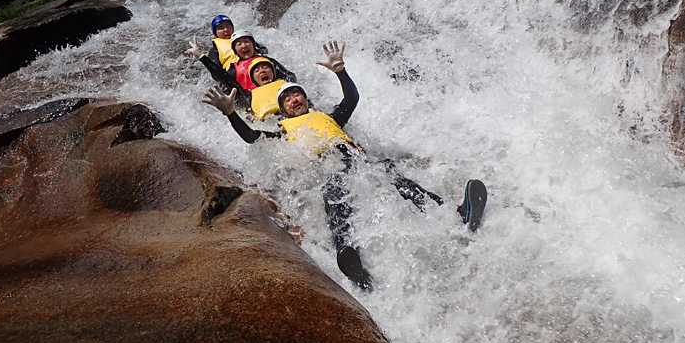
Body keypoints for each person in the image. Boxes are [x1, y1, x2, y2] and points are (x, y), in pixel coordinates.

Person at [202, 40, 487, 290]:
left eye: (296, 94)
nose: (293, 99)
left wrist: (341, 71)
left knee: (395, 177)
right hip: (327, 167)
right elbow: (252, 137)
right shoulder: (284, 131)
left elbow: (352, 98)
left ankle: (455, 213)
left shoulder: (329, 117)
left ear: (306, 98)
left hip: (357, 159)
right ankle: (348, 254)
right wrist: (231, 114)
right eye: (286, 99)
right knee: (333, 196)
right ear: (283, 109)